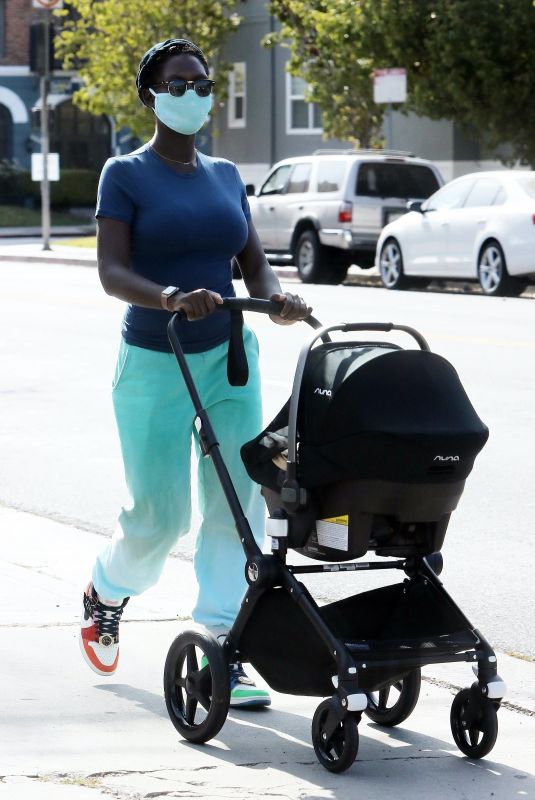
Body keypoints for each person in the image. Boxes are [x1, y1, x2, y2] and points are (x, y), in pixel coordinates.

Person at [79, 38, 311, 708]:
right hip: (157, 360)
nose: (192, 95)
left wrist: (276, 298)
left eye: (201, 83)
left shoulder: (223, 175)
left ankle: (220, 644)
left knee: (232, 505)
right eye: (176, 85)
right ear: (150, 95)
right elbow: (111, 272)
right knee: (160, 515)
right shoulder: (123, 174)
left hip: (230, 359)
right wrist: (169, 298)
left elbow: (252, 260)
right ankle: (106, 589)